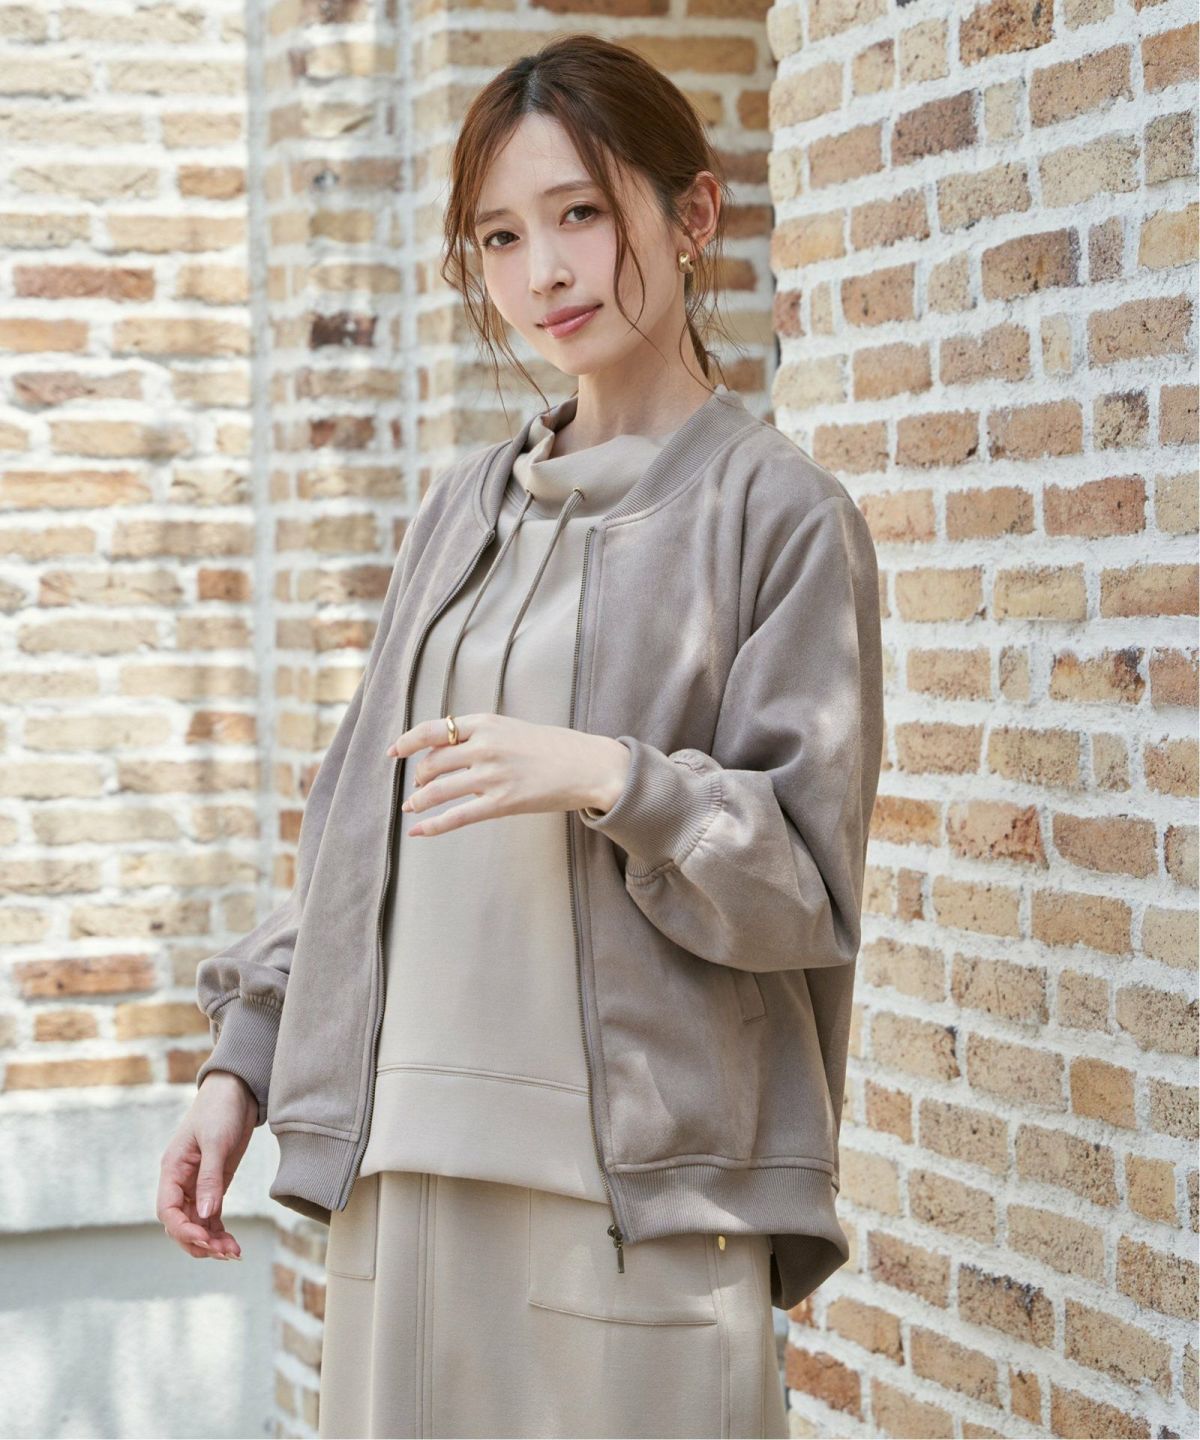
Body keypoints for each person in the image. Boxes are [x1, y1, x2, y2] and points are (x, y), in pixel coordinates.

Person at [157, 31, 884, 1440]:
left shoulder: (779, 516)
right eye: (500, 235)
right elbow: (359, 840)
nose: (542, 271)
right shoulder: (462, 511)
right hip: (406, 1180)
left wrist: (613, 778)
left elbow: (804, 888)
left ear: (693, 214)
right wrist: (240, 1063)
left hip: (630, 1209)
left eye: (580, 213)